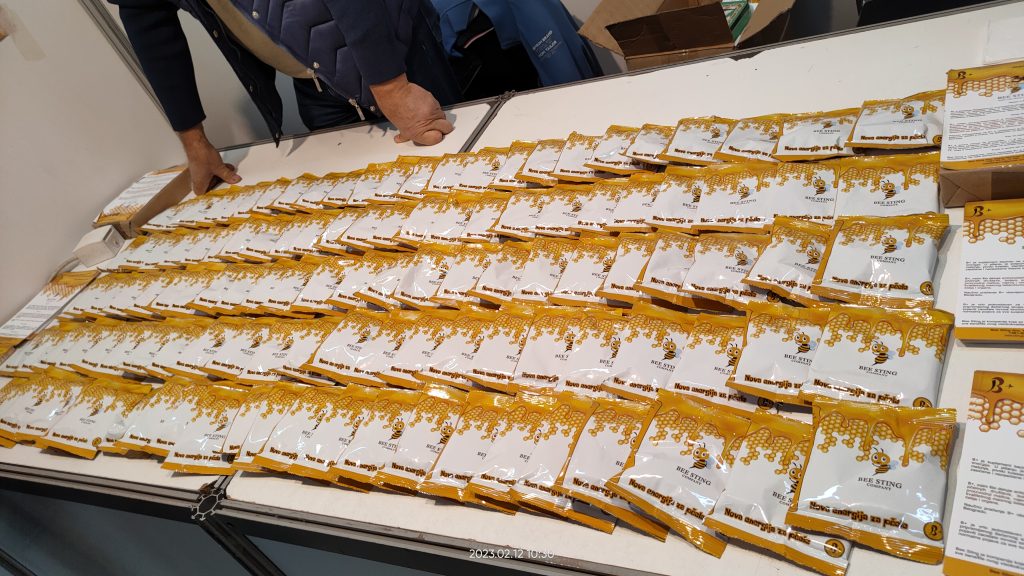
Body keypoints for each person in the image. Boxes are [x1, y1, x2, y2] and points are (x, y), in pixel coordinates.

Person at [110, 0, 463, 194]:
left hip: (393, 51)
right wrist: (193, 139)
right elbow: (145, 16)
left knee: (455, 178)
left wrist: (391, 87)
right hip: (314, 82)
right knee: (370, 203)